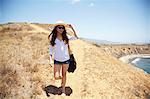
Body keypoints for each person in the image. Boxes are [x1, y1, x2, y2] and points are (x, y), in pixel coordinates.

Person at [48, 23, 78, 94]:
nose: (61, 29)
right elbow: (51, 49)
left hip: (66, 60)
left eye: (62, 28)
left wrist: (72, 28)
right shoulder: (53, 37)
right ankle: (62, 80)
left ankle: (63, 88)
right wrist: (50, 59)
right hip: (57, 60)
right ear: (56, 28)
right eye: (59, 28)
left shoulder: (66, 37)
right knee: (56, 76)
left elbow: (76, 37)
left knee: (64, 74)